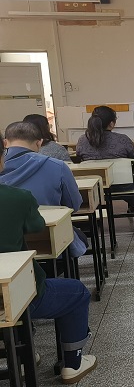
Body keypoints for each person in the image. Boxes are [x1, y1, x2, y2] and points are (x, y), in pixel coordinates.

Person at [0, 131, 97, 384]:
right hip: (13, 296)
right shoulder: (17, 198)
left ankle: (19, 352)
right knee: (76, 292)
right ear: (2, 152)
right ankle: (73, 363)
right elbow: (36, 226)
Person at [0, 122, 88, 257]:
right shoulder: (57, 166)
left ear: (5, 143)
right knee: (78, 237)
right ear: (39, 143)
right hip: (49, 237)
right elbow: (74, 205)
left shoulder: (3, 166)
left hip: (8, 244)